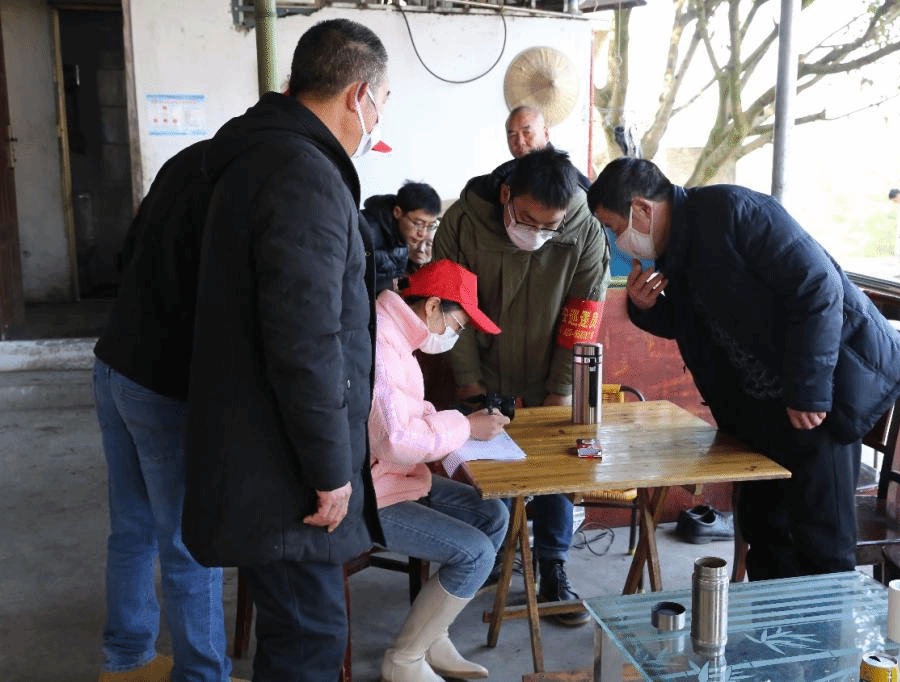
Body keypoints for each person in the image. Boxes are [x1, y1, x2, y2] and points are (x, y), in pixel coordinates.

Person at [588, 158, 900, 580]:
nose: (618, 242)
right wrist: (645, 307)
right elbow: (692, 324)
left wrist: (808, 391)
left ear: (641, 209)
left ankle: (823, 625)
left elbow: (819, 289)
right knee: (765, 535)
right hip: (757, 414)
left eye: (615, 227)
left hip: (819, 401)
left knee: (822, 547)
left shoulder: (735, 212)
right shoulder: (674, 249)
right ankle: (771, 624)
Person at [182, 19, 389, 681]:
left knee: (298, 632)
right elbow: (306, 341)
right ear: (359, 95)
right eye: (382, 102)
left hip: (256, 446)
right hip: (281, 471)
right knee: (309, 639)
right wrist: (330, 470)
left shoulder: (257, 156)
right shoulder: (305, 176)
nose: (378, 120)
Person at [433, 147, 610, 625]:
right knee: (491, 470)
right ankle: (493, 557)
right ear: (506, 195)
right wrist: (469, 381)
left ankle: (552, 565)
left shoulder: (585, 230)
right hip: (485, 366)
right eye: (528, 220)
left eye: (550, 226)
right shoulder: (464, 223)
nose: (537, 233)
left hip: (551, 369)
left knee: (556, 469)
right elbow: (449, 305)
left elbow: (583, 313)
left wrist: (561, 388)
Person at [92, 140, 245, 682]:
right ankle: (203, 675)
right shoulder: (248, 182)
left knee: (131, 527)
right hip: (161, 383)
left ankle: (126, 658)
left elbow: (128, 255)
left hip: (114, 360)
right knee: (188, 540)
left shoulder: (187, 162)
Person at [370, 258, 510, 682]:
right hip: (369, 493)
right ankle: (403, 660)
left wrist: (463, 430)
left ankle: (433, 634)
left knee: (493, 513)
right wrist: (464, 427)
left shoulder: (398, 336)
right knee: (476, 553)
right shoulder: (381, 344)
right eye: (458, 325)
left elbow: (408, 412)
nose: (456, 335)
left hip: (394, 476)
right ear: (433, 306)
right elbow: (394, 439)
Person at [361, 181, 442, 292]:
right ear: (397, 212)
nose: (422, 233)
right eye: (418, 223)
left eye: (429, 226)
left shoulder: (401, 237)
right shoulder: (365, 232)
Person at [503, 105, 590, 189]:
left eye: (527, 133)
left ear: (545, 134)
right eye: (512, 135)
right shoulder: (506, 175)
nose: (520, 142)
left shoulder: (564, 177)